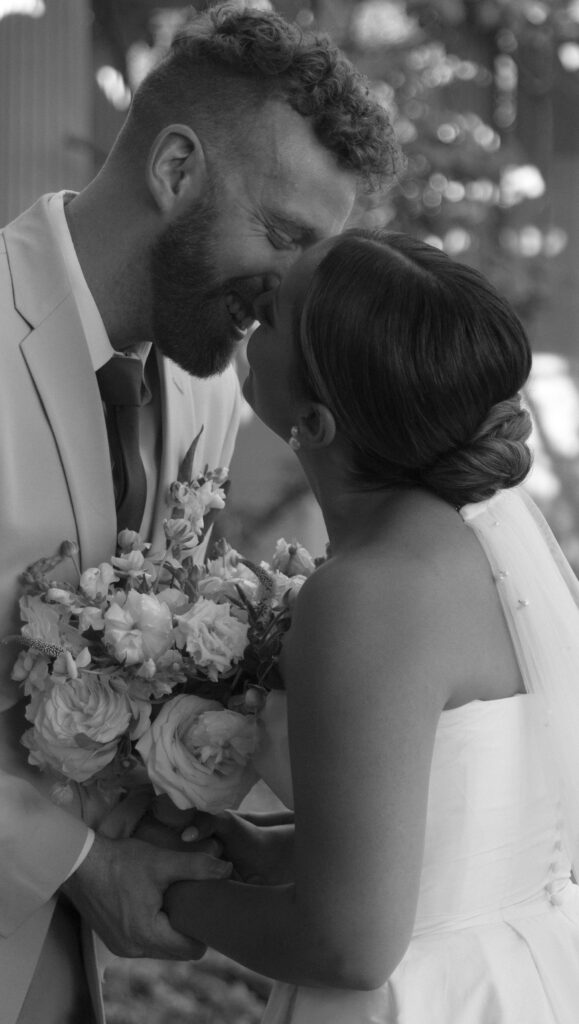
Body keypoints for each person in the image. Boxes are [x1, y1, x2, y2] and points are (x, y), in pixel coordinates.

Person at [0, 4, 400, 1023]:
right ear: (174, 172)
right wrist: (79, 862)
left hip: (69, 973)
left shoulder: (206, 382)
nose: (292, 290)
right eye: (282, 232)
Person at [161, 229, 579, 1023]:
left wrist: (160, 894)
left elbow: (347, 947)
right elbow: (453, 833)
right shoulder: (475, 552)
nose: (255, 301)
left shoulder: (369, 596)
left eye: (278, 315)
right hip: (519, 976)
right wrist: (258, 852)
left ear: (315, 425)